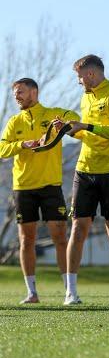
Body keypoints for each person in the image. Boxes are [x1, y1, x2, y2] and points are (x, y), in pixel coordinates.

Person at [53, 54, 109, 306]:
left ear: (91, 74)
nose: (78, 82)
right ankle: (71, 292)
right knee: (77, 229)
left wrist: (85, 126)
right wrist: (69, 130)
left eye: (80, 77)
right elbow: (88, 134)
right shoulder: (86, 96)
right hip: (84, 169)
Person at [0, 78, 80, 304]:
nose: (17, 96)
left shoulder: (52, 113)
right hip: (23, 187)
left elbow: (76, 117)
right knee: (26, 240)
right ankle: (32, 293)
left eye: (21, 92)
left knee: (60, 237)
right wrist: (22, 145)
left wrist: (61, 124)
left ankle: (70, 291)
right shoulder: (14, 122)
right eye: (15, 93)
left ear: (34, 92)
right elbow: (2, 148)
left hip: (50, 186)